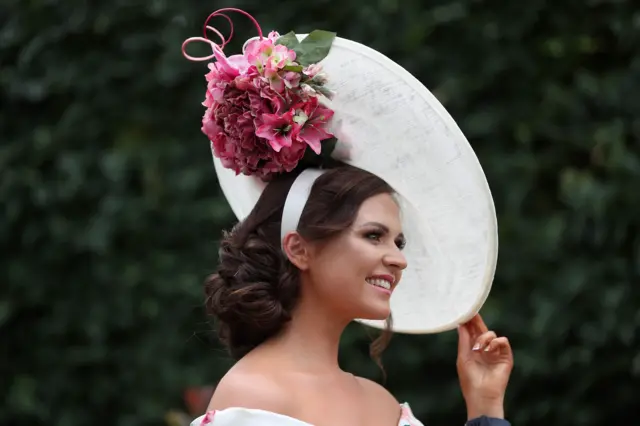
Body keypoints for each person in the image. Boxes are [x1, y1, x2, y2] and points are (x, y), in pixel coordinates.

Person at [182, 8, 513, 426]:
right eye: (374, 235)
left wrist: (484, 406)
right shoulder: (255, 397)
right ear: (299, 248)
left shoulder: (384, 405)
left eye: (399, 241)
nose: (398, 259)